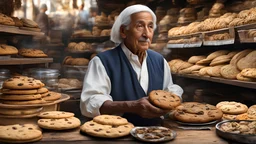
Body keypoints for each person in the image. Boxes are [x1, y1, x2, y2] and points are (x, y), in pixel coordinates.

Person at [80, 4, 183, 126]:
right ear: (123, 31)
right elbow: (89, 104)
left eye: (150, 27)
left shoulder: (160, 61)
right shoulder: (102, 62)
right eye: (140, 26)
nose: (146, 34)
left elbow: (168, 94)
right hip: (117, 136)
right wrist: (131, 106)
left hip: (155, 135)